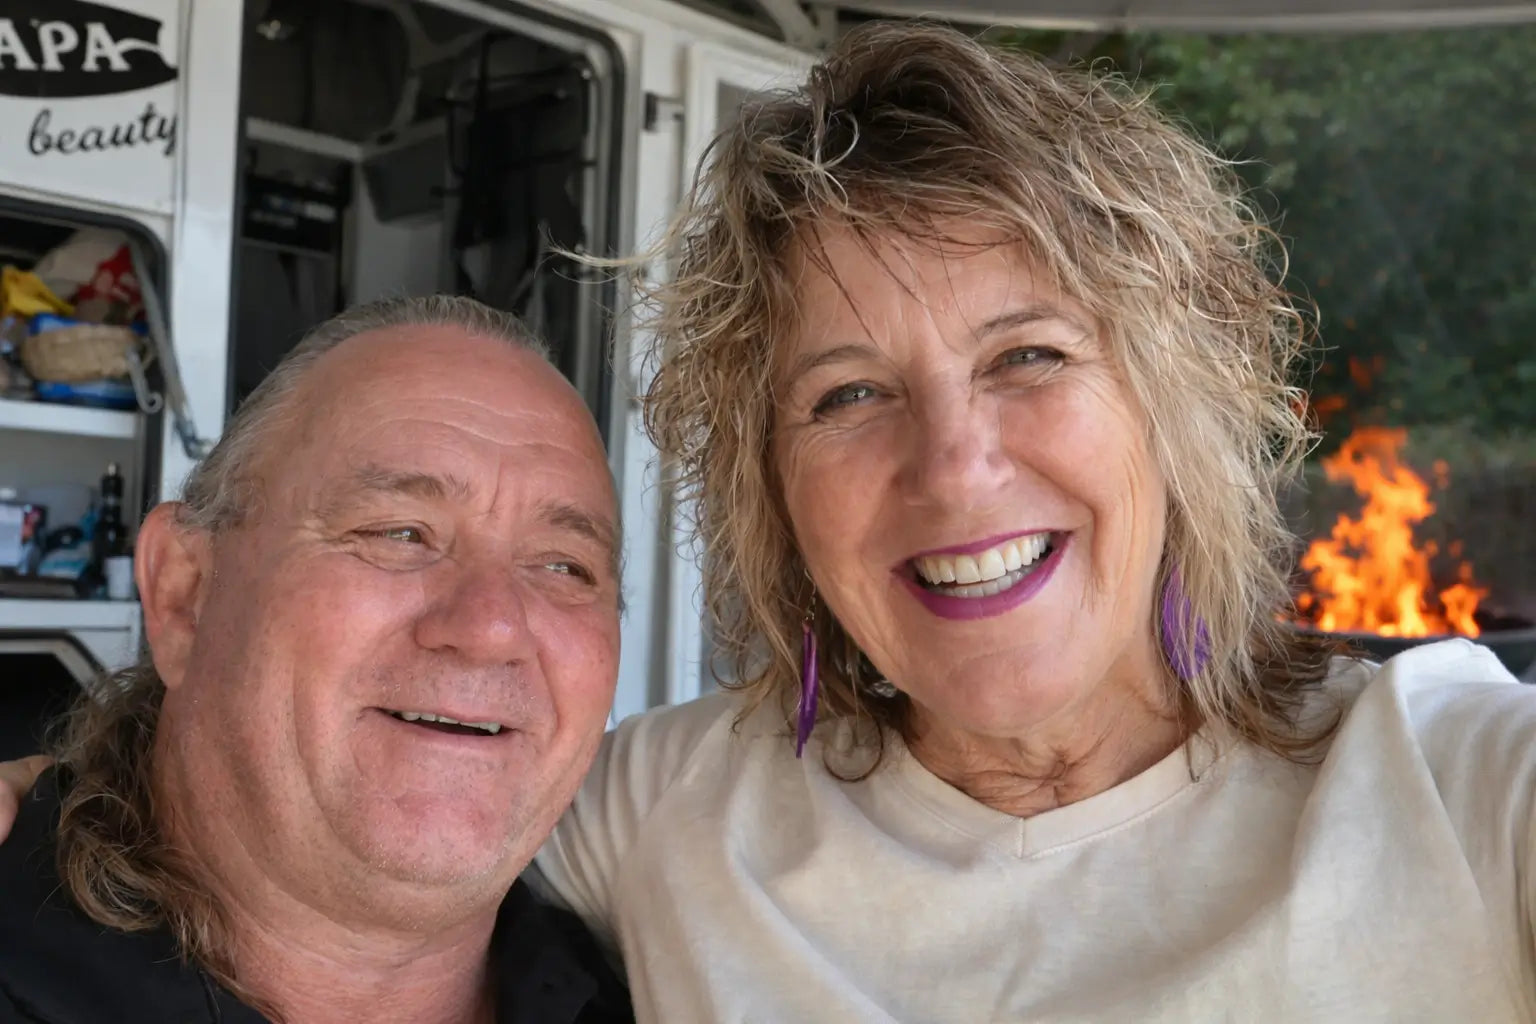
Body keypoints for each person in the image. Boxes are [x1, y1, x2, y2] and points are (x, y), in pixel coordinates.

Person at [3, 20, 1535, 1024]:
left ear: (1175, 406)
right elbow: (322, 778)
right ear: (775, 502)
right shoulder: (669, 816)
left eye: (1031, 357)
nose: (955, 465)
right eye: (848, 395)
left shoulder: (1461, 787)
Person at [0, 296, 632, 1024]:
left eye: (565, 566)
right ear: (184, 593)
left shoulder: (661, 979)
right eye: (399, 532)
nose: (492, 626)